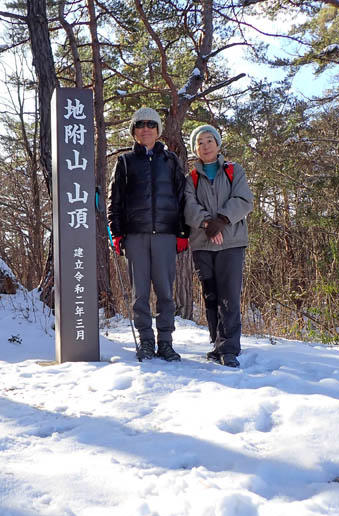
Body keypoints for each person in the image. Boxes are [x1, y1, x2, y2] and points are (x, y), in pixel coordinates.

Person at [107, 107, 190, 362]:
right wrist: (117, 233)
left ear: (157, 131)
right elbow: (115, 201)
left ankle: (165, 342)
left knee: (165, 293)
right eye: (140, 124)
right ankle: (145, 341)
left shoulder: (171, 161)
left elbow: (182, 197)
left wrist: (183, 232)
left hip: (165, 235)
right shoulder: (125, 162)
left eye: (151, 125)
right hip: (136, 236)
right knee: (139, 294)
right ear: (134, 131)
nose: (146, 129)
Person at [184, 125, 253, 368]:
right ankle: (217, 343)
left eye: (209, 140)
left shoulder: (234, 171)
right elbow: (188, 206)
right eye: (200, 142)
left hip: (231, 242)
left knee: (229, 296)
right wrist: (206, 224)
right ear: (195, 148)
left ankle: (229, 348)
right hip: (203, 243)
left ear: (218, 144)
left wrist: (221, 221)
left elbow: (244, 200)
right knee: (211, 295)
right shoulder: (191, 178)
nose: (205, 146)